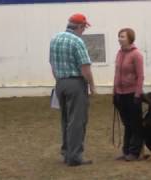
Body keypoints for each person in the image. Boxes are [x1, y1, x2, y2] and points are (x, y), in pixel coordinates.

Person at [49, 13, 96, 167]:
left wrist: (59, 81)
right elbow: (85, 68)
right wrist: (92, 86)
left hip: (60, 83)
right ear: (80, 26)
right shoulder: (77, 42)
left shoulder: (55, 39)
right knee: (77, 121)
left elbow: (52, 64)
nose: (83, 31)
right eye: (84, 28)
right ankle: (75, 156)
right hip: (75, 84)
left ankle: (67, 152)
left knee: (65, 119)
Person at [113, 28, 144, 161]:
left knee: (135, 124)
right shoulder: (119, 53)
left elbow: (140, 76)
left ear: (130, 38)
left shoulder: (136, 54)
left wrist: (137, 95)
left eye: (122, 36)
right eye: (119, 36)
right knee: (127, 124)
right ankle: (126, 151)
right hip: (120, 94)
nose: (119, 38)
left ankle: (135, 152)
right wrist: (114, 92)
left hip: (132, 94)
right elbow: (116, 73)